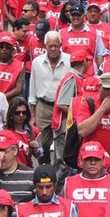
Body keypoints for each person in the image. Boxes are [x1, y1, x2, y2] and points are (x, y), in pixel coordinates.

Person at [29, 31, 70, 165]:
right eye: (50, 46)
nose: (53, 49)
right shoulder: (37, 62)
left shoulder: (69, 61)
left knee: (61, 144)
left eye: (55, 46)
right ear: (45, 46)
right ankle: (44, 169)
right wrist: (32, 115)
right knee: (43, 144)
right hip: (43, 107)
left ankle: (59, 175)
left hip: (63, 108)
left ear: (60, 45)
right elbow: (33, 89)